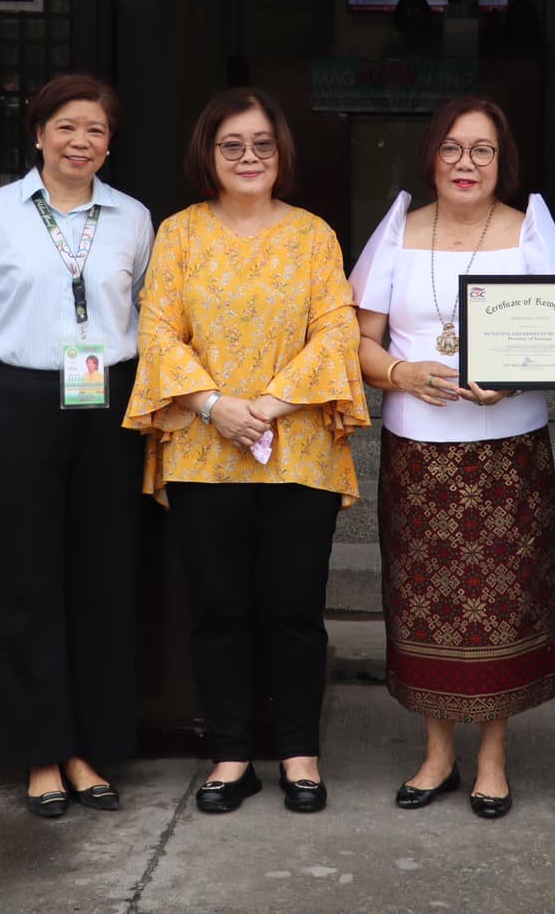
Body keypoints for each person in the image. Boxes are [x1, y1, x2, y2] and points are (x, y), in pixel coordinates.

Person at [126, 88, 368, 816]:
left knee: (293, 609)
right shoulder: (180, 235)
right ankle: (230, 755)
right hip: (205, 452)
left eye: (262, 143)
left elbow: (337, 333)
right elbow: (158, 331)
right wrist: (211, 406)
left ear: (280, 152)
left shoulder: (313, 236)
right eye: (232, 144)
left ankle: (298, 753)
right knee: (219, 610)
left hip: (298, 454)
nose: (249, 157)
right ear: (208, 152)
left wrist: (266, 406)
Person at [348, 97, 555, 822]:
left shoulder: (529, 230)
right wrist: (399, 374)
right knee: (425, 602)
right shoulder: (399, 233)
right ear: (431, 157)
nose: (466, 163)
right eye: (452, 148)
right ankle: (438, 752)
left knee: (503, 603)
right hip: (419, 452)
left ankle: (493, 758)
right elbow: (358, 340)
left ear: (502, 161)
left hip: (508, 452)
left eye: (482, 150)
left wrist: (515, 373)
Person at [0, 74, 153, 818]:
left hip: (107, 404)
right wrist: (7, 386)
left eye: (95, 131)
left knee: (101, 576)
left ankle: (86, 747)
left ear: (109, 142)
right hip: (25, 401)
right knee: (28, 578)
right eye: (65, 127)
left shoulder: (131, 217)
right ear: (38, 133)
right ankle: (38, 750)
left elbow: (144, 309)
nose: (79, 142)